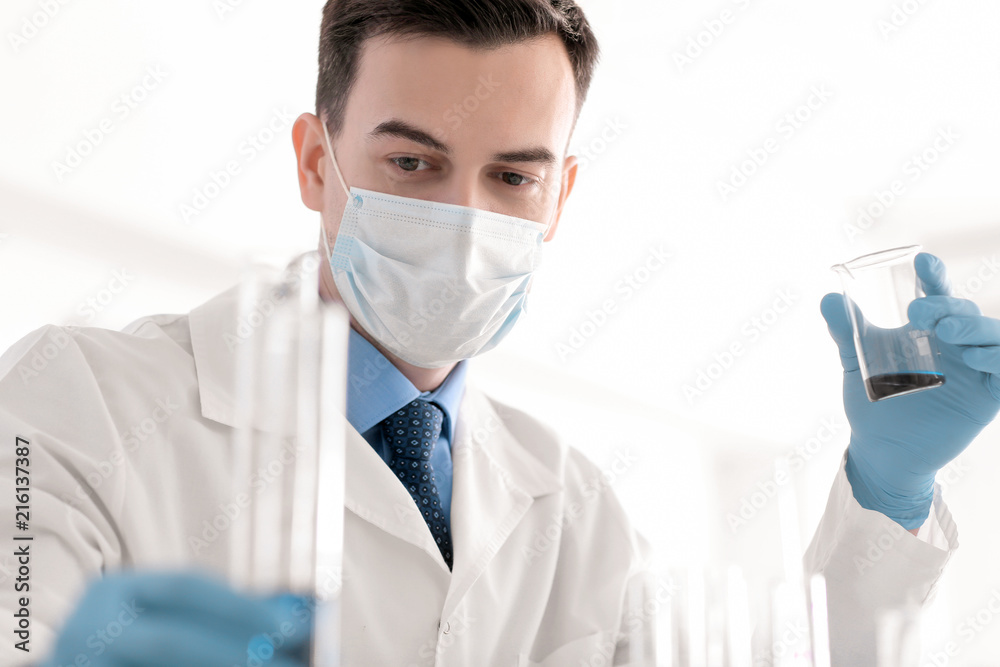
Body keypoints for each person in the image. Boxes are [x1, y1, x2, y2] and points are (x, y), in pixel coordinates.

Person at [2, 0, 998, 665]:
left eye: (513, 175)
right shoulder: (73, 401)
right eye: (412, 163)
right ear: (314, 162)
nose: (466, 215)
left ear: (558, 197)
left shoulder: (577, 510)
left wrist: (889, 490)